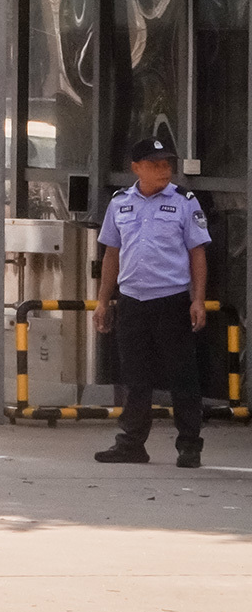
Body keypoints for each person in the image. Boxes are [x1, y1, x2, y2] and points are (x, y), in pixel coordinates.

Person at [93, 137, 213, 468]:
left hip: (172, 301)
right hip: (132, 301)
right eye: (156, 164)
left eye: (167, 164)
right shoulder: (119, 203)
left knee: (183, 376)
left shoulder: (185, 201)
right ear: (137, 168)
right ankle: (131, 443)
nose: (164, 170)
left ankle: (190, 445)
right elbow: (111, 254)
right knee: (134, 377)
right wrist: (103, 302)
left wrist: (198, 300)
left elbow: (197, 253)